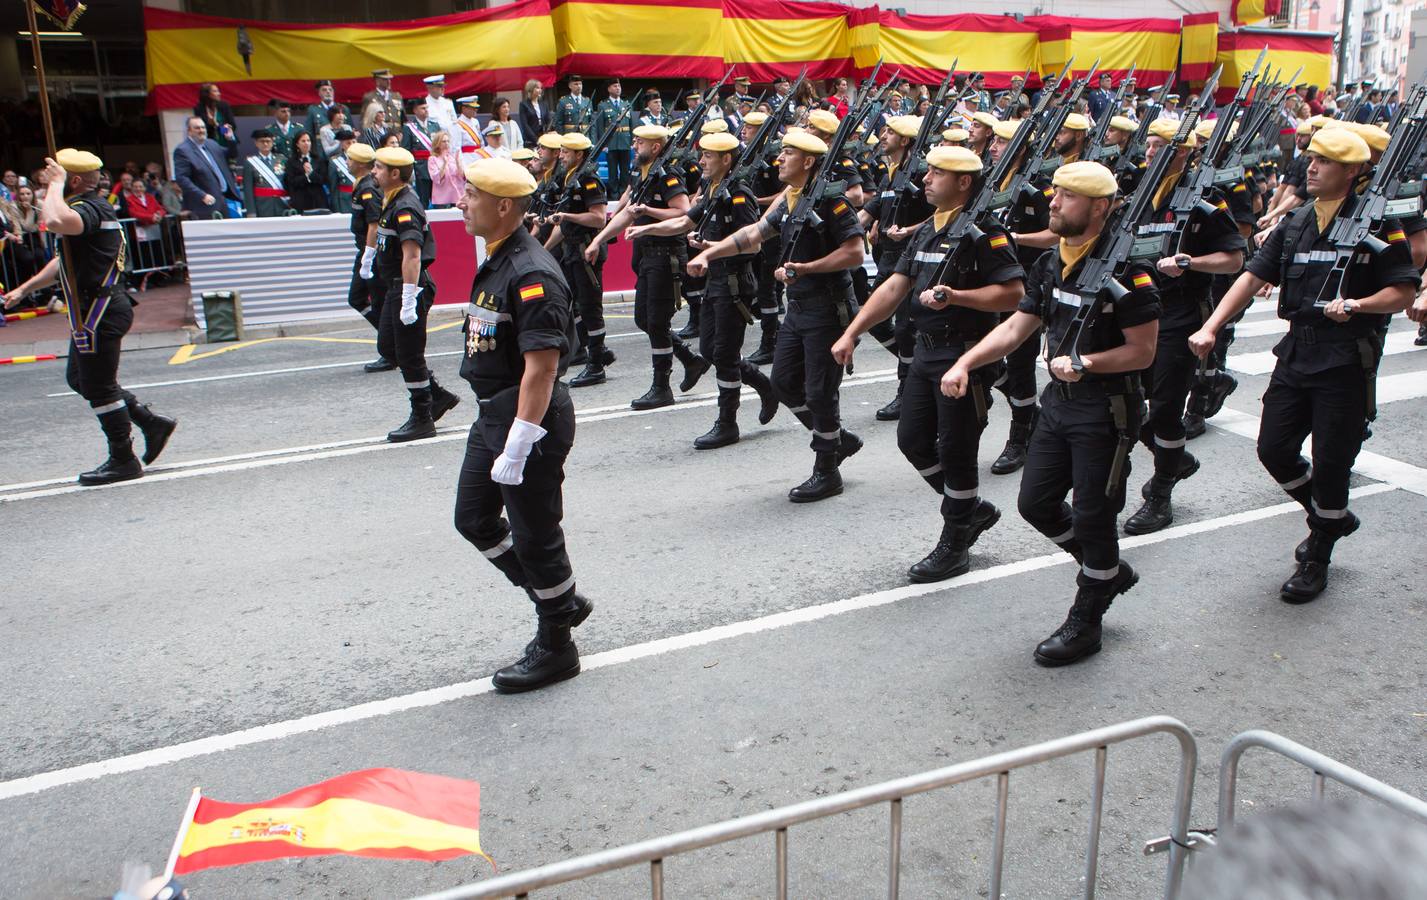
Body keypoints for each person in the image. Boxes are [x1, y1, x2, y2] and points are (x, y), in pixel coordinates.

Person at [943, 161, 1159, 666]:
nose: (1053, 204)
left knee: (1093, 513)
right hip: (1059, 404)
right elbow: (1019, 326)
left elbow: (1144, 350)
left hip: (1106, 409)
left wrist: (1086, 363)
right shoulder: (1049, 262)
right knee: (1036, 503)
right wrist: (967, 360)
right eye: (1054, 193)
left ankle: (1089, 612)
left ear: (1100, 207)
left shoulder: (1129, 269)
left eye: (1066, 197)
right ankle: (1103, 569)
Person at [1189, 127, 1418, 603]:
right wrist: (1212, 324)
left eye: (1325, 162)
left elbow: (1402, 291)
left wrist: (1357, 304)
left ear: (1354, 171)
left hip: (1345, 359)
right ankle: (1328, 516)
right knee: (1274, 448)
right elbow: (1253, 275)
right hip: (1297, 353)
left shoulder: (1378, 225)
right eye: (1311, 158)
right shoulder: (1297, 221)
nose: (1310, 167)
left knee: (1334, 462)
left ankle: (1318, 554)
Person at [834, 145, 1024, 580]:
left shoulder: (985, 232)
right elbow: (893, 288)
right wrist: (852, 332)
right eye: (928, 172)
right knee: (912, 440)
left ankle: (955, 540)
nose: (926, 179)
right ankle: (969, 509)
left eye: (937, 174)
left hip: (965, 354)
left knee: (958, 452)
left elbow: (1014, 293)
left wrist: (957, 297)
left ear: (963, 182)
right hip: (926, 352)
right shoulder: (928, 231)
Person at [452, 157, 593, 693]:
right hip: (494, 412)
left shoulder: (530, 271)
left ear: (503, 205)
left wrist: (517, 444)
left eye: (471, 194)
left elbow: (543, 366)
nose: (461, 201)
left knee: (537, 537)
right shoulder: (499, 258)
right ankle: (557, 600)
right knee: (473, 518)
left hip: (527, 421)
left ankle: (557, 646)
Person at [689, 129, 867, 502]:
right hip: (800, 308)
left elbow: (854, 252)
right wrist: (710, 254)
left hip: (827, 309)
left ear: (808, 161)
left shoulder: (832, 201)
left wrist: (807, 267)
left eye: (787, 153)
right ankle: (835, 438)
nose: (779, 159)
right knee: (784, 384)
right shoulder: (791, 199)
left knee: (820, 392)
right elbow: (754, 234)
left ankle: (827, 468)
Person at [2, 150, 177, 485]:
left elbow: (53, 221)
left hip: (101, 311)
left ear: (75, 180)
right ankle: (149, 421)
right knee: (81, 380)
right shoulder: (87, 210)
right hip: (94, 311)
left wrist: (55, 185)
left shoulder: (89, 208)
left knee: (98, 385)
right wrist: (24, 290)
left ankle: (123, 458)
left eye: (59, 175)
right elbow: (62, 260)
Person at [1121, 119, 1244, 536]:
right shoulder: (1140, 196)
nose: (1150, 153)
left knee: (1165, 410)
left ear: (1183, 153)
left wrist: (1191, 262)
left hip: (1179, 315)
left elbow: (1234, 259)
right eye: (1149, 145)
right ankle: (1174, 459)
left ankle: (1161, 493)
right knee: (1127, 406)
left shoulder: (1204, 201)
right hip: (1138, 313)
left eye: (1159, 147)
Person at [625, 131, 779, 446]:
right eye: (703, 154)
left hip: (735, 281)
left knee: (722, 352)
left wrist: (709, 247)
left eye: (708, 155)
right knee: (709, 350)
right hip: (716, 279)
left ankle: (727, 422)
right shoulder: (713, 190)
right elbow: (683, 222)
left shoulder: (738, 195)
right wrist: (647, 227)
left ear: (726, 159)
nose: (702, 160)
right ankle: (764, 385)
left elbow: (751, 246)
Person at [586, 124, 710, 410]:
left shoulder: (666, 174)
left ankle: (661, 386)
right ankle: (690, 360)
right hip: (645, 254)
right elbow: (628, 212)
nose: (634, 145)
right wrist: (600, 238)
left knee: (655, 320)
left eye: (640, 142)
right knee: (644, 318)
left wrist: (648, 212)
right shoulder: (639, 172)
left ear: (656, 147)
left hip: (666, 254)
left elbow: (682, 211)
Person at [365, 146, 461, 442]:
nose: (374, 172)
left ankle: (423, 415)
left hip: (410, 285)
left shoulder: (405, 206)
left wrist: (409, 298)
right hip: (396, 285)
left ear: (395, 173)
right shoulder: (390, 199)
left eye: (379, 168)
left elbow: (412, 256)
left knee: (408, 352)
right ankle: (436, 394)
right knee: (390, 347)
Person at [543, 132, 615, 387]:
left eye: (565, 152)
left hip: (587, 252)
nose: (561, 156)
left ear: (579, 155)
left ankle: (596, 365)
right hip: (571, 251)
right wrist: (545, 248)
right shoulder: (569, 178)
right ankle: (598, 350)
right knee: (575, 306)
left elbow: (598, 217)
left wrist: (568, 217)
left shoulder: (589, 181)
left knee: (590, 308)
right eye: (560, 151)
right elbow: (563, 222)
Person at [345, 143, 391, 371]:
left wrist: (368, 256)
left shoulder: (368, 189)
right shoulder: (361, 185)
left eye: (350, 159)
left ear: (360, 163)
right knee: (357, 298)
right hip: (365, 251)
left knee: (379, 301)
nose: (347, 162)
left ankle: (390, 349)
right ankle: (391, 341)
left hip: (371, 252)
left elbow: (374, 224)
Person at [172, 116, 240, 219]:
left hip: (222, 199)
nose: (201, 130)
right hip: (202, 204)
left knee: (226, 233)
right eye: (197, 128)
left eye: (203, 127)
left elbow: (232, 154)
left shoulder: (212, 144)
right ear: (189, 131)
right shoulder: (183, 150)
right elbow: (182, 178)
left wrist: (230, 139)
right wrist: (202, 195)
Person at [119, 175, 167, 273]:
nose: (138, 189)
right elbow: (133, 213)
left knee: (157, 252)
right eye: (135, 187)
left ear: (144, 188)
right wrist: (151, 217)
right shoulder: (129, 200)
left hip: (153, 230)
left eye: (140, 186)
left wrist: (159, 214)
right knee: (144, 254)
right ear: (132, 188)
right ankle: (146, 278)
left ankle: (159, 277)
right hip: (139, 231)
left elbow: (160, 208)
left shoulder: (150, 197)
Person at [594, 78, 634, 195]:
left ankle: (623, 193)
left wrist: (632, 140)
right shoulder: (603, 105)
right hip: (610, 143)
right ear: (609, 89)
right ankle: (614, 194)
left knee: (625, 170)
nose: (618, 88)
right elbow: (600, 127)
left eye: (619, 86)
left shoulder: (626, 104)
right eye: (615, 86)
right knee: (612, 171)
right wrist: (603, 144)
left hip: (625, 141)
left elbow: (630, 124)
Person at [401, 96, 440, 207]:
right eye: (423, 108)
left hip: (437, 168)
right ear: (415, 110)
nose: (426, 110)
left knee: (438, 201)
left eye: (427, 108)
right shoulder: (409, 128)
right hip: (421, 169)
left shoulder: (434, 125)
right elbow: (406, 150)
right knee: (423, 201)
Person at [242, 129, 289, 218]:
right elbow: (248, 190)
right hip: (262, 207)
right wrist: (251, 212)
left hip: (281, 205)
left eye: (268, 141)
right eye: (262, 141)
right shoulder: (250, 162)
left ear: (272, 142)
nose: (265, 144)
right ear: (256, 143)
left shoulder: (282, 160)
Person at [283, 131, 328, 213]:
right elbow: (291, 182)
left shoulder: (319, 159)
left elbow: (323, 179)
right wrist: (306, 176)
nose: (306, 143)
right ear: (297, 144)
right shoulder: (291, 162)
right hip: (300, 200)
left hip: (318, 199)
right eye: (303, 141)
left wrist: (311, 173)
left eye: (308, 140)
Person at [193, 83, 238, 163]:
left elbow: (232, 127)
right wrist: (209, 125)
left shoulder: (224, 106)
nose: (219, 93)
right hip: (209, 145)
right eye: (215, 91)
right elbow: (201, 130)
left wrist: (217, 125)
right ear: (207, 94)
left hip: (225, 144)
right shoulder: (199, 108)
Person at [428, 130, 465, 207]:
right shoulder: (433, 159)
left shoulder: (452, 157)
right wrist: (444, 164)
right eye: (444, 141)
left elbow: (461, 176)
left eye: (448, 141)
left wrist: (458, 163)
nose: (447, 143)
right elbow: (435, 178)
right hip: (442, 198)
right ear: (438, 143)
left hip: (457, 195)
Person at [326, 129, 360, 213]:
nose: (352, 145)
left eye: (354, 142)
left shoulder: (363, 159)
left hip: (361, 197)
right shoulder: (335, 161)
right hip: (345, 201)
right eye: (348, 143)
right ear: (342, 145)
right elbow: (333, 188)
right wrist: (336, 208)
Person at [452, 97, 487, 168]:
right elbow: (456, 148)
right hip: (467, 159)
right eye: (472, 107)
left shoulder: (475, 122)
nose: (475, 110)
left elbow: (481, 142)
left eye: (476, 107)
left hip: (479, 157)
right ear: (464, 108)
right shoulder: (457, 124)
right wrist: (461, 165)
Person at [519, 79, 550, 146]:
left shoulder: (544, 104)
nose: (540, 90)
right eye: (537, 88)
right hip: (530, 139)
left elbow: (548, 120)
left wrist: (547, 134)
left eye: (541, 88)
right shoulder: (524, 104)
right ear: (531, 89)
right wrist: (536, 139)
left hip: (544, 137)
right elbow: (525, 125)